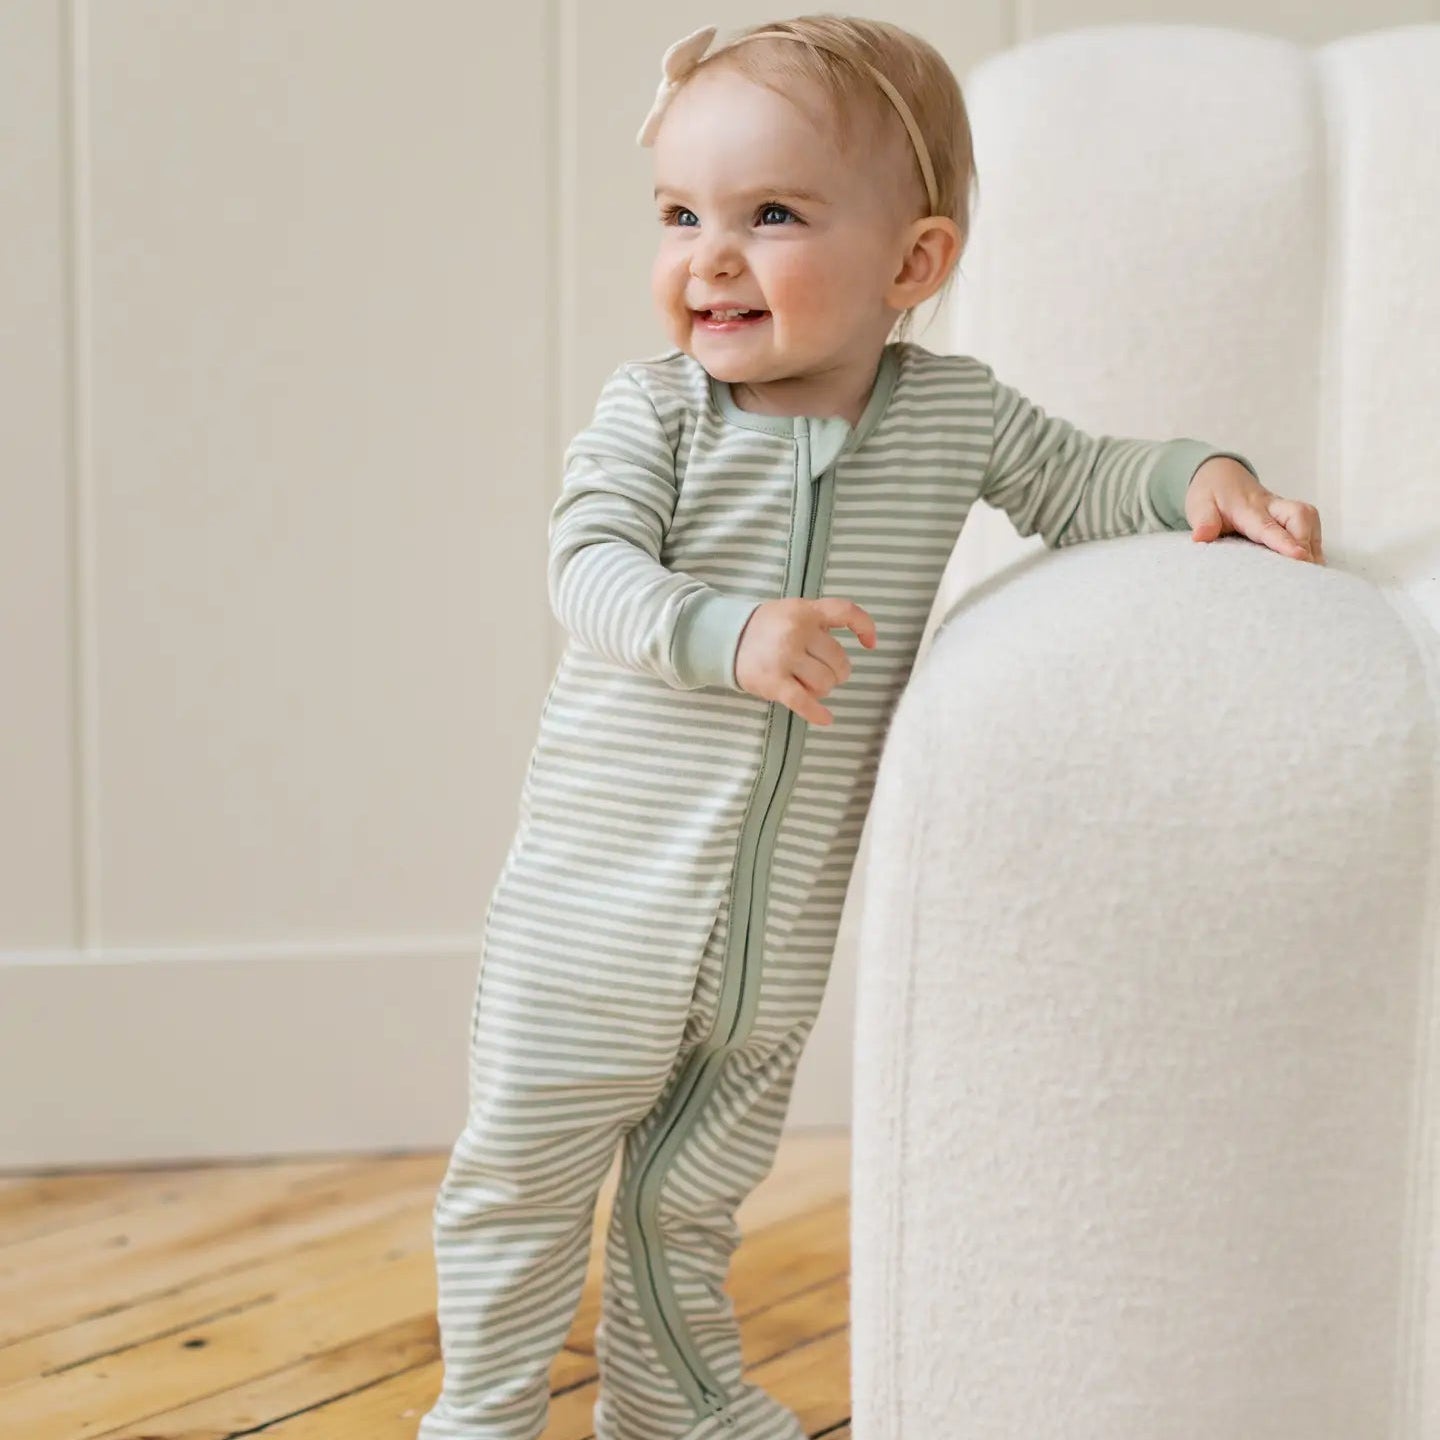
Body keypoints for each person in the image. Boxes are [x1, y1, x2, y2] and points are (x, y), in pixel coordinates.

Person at [417, 14, 1325, 1440]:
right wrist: (725, 630)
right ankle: (481, 1414)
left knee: (687, 1199)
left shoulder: (951, 416)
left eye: (769, 215)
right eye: (680, 215)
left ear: (914, 262)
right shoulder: (656, 415)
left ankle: (674, 1408)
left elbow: (1084, 480)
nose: (710, 257)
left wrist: (1201, 475)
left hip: (769, 950)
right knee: (521, 1188)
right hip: (593, 924)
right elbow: (586, 569)